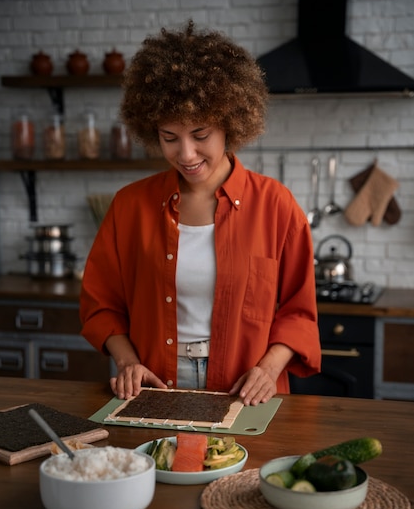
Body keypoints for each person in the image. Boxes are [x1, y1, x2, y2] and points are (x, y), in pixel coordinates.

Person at [80, 20, 321, 406]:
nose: (186, 155)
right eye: (169, 138)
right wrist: (127, 362)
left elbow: (299, 312)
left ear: (230, 123)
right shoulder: (129, 206)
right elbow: (101, 304)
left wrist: (269, 369)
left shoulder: (276, 205)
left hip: (245, 391)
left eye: (201, 135)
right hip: (154, 386)